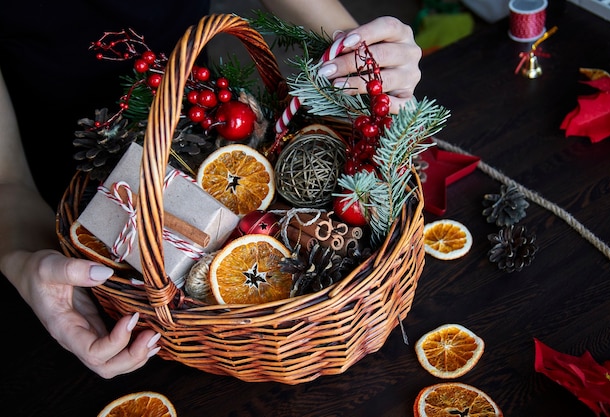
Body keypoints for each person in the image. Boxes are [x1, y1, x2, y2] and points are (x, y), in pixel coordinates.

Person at [0, 0, 422, 379]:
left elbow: (347, 50)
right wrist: (19, 254)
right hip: (65, 188)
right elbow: (8, 183)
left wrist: (362, 53)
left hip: (207, 119)